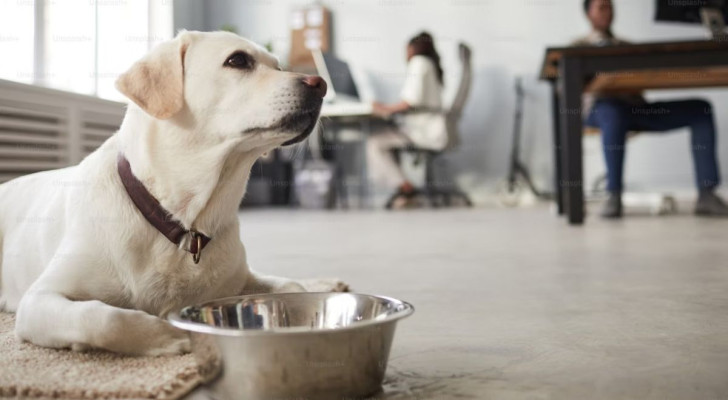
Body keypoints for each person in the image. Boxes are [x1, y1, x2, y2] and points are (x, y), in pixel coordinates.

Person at [578, 0, 728, 218]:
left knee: (700, 110)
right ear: (588, 13)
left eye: (610, 7)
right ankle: (614, 195)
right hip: (601, 112)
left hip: (636, 110)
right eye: (601, 7)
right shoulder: (578, 47)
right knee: (613, 112)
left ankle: (707, 194)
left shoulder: (629, 47)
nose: (607, 12)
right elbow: (568, 89)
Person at [367, 31, 448, 207]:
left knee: (375, 142)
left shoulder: (418, 62)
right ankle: (405, 190)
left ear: (412, 49)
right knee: (387, 141)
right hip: (430, 128)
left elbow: (410, 102)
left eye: (406, 50)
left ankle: (405, 187)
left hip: (423, 130)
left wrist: (383, 108)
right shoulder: (431, 64)